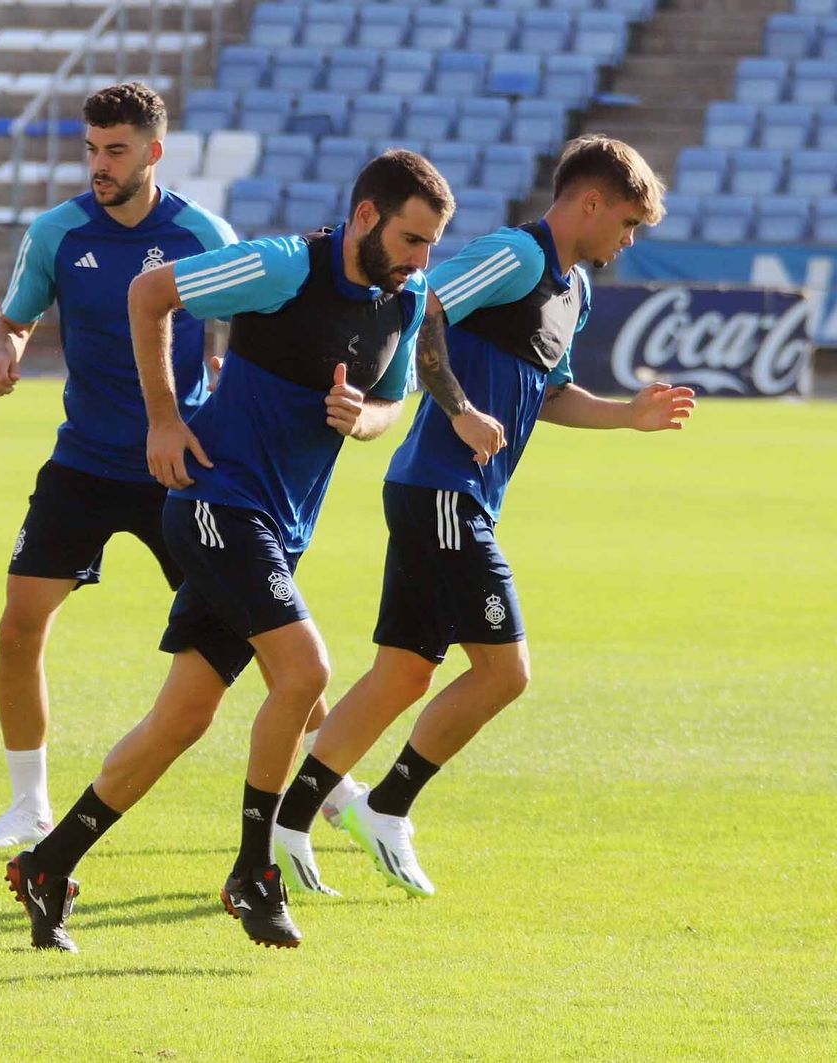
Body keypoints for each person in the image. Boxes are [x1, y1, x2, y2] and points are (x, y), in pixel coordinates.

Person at [5, 150, 453, 951]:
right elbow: (151, 295)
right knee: (307, 670)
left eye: (430, 245)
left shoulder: (406, 297)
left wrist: (363, 417)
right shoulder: (283, 264)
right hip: (217, 505)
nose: (423, 261)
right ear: (365, 218)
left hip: (278, 527)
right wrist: (165, 420)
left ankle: (49, 861)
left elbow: (393, 403)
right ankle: (255, 869)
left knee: (181, 717)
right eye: (413, 240)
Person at [272, 135, 695, 900]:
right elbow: (425, 300)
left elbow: (553, 394)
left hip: (448, 495)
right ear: (591, 202)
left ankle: (290, 821)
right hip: (442, 491)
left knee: (403, 672)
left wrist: (627, 417)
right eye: (627, 224)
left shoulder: (576, 291)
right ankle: (386, 807)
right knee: (505, 670)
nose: (627, 242)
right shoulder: (520, 255)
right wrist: (460, 409)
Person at [0, 83, 261, 849]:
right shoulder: (58, 232)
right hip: (85, 462)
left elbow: (254, 321)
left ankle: (336, 795)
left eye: (116, 151)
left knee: (266, 629)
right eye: (92, 149)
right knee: (18, 623)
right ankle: (29, 805)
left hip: (180, 465)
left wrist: (229, 391)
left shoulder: (202, 234)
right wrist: (1, 356)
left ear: (153, 153)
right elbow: (15, 321)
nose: (99, 165)